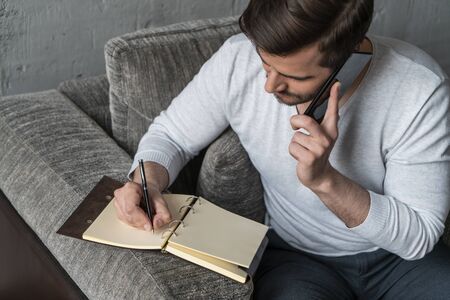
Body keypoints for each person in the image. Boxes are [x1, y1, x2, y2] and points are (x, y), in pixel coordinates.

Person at [113, 0, 450, 298]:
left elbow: (417, 237)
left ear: (349, 59)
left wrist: (325, 182)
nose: (269, 85)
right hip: (294, 259)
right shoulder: (237, 60)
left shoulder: (419, 90)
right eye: (266, 63)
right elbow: (171, 135)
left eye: (294, 77)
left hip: (400, 263)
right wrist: (147, 182)